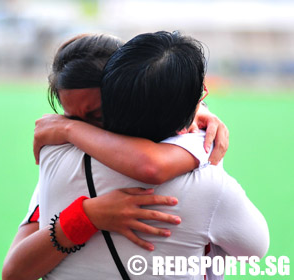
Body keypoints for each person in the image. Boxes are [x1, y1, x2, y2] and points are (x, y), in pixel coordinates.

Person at [34, 31, 269, 279]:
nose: (89, 132)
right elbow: (254, 251)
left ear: (126, 92)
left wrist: (68, 128)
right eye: (74, 119)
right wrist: (85, 217)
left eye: (97, 115)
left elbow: (151, 165)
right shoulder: (205, 173)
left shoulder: (57, 156)